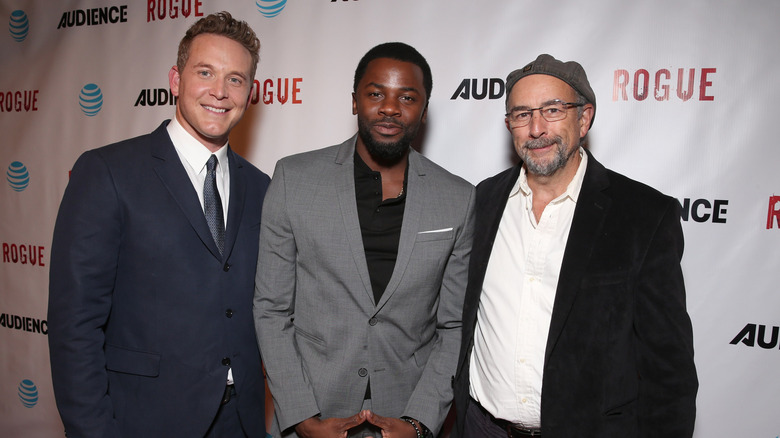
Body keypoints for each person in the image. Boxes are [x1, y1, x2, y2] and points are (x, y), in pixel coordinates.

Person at [452, 54, 698, 437]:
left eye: (552, 110)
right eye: (522, 114)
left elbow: (669, 370)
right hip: (480, 428)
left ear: (584, 119)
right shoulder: (481, 200)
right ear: (509, 125)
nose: (536, 128)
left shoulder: (643, 216)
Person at [48, 11, 269, 438]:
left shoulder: (261, 187)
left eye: (236, 79)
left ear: (249, 92)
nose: (220, 91)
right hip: (145, 420)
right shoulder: (108, 172)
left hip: (241, 422)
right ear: (175, 80)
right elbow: (74, 325)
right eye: (205, 72)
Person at [253, 42, 475, 438]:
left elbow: (454, 325)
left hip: (406, 410)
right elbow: (271, 308)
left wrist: (420, 422)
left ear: (424, 110)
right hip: (314, 408)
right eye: (376, 94)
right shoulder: (293, 179)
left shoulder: (457, 197)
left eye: (407, 97)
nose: (390, 108)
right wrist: (301, 417)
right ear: (355, 101)